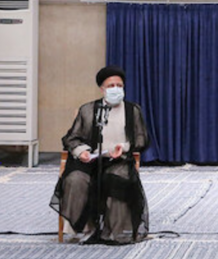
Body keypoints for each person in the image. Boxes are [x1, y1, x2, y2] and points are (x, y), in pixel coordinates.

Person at [50, 66, 150, 244]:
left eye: (119, 85)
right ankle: (84, 227)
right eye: (111, 85)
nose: (116, 88)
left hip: (117, 160)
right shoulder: (88, 110)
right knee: (75, 179)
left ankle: (113, 229)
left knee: (115, 178)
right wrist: (82, 152)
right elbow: (71, 138)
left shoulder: (132, 110)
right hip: (90, 160)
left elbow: (142, 139)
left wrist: (124, 147)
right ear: (102, 89)